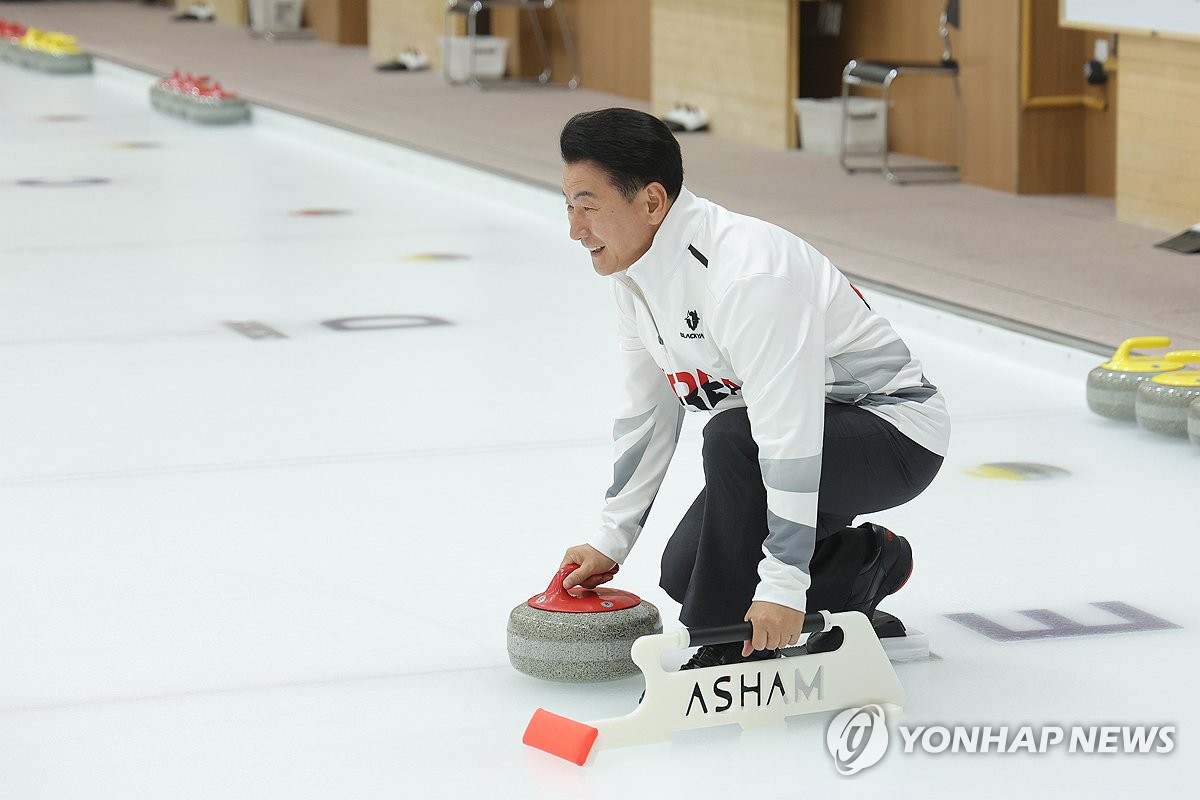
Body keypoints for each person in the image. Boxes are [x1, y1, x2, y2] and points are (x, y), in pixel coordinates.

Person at [556, 108, 949, 668]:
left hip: (892, 434)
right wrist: (610, 541)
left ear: (651, 202)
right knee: (684, 571)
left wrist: (783, 587)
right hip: (789, 438)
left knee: (731, 437)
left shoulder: (746, 274)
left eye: (588, 207)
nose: (575, 229)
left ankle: (718, 645)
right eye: (568, 205)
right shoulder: (634, 276)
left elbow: (785, 433)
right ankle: (862, 566)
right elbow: (647, 417)